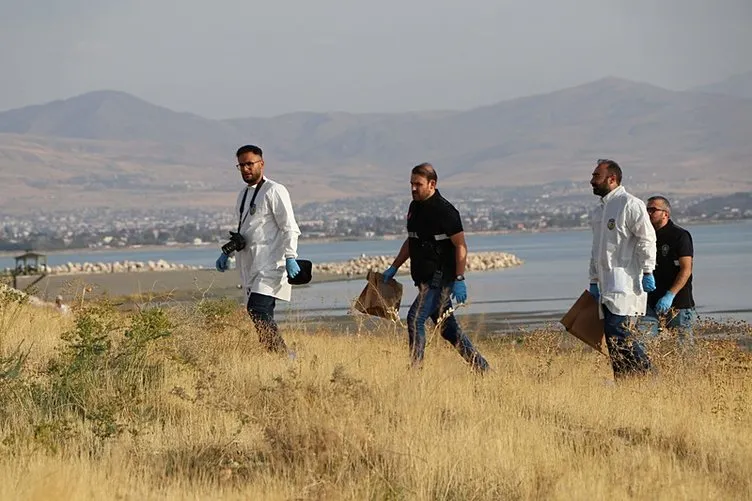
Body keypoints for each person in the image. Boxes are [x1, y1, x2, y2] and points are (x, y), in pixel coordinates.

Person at [383, 163, 489, 372]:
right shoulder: (414, 208)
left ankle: (415, 373)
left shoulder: (446, 211)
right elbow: (412, 241)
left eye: (418, 184)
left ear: (432, 184)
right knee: (448, 329)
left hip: (439, 279)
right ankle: (482, 368)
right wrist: (394, 267)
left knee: (415, 319)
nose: (413, 188)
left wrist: (459, 279)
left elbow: (460, 245)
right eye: (411, 184)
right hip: (423, 278)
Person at [215, 145, 302, 355]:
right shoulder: (243, 195)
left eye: (249, 164)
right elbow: (246, 231)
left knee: (257, 309)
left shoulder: (275, 190)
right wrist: (227, 252)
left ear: (261, 164)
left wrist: (291, 257)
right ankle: (275, 357)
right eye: (241, 165)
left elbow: (289, 227)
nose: (246, 169)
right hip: (250, 264)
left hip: (271, 263)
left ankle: (284, 356)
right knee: (260, 314)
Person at [588, 159, 657, 379]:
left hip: (627, 283)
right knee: (612, 337)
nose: (591, 181)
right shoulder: (600, 211)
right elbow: (597, 249)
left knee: (620, 331)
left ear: (612, 179)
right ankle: (625, 381)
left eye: (596, 176)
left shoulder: (629, 204)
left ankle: (649, 374)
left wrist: (648, 270)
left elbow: (647, 239)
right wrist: (593, 279)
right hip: (605, 285)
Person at [643, 195, 696, 344]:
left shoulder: (679, 236)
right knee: (641, 341)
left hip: (678, 303)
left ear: (665, 213)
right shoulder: (646, 236)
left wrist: (669, 295)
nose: (648, 213)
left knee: (683, 348)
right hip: (650, 302)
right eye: (647, 210)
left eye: (653, 210)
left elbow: (686, 269)